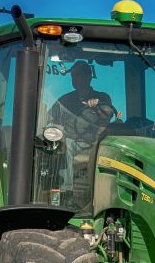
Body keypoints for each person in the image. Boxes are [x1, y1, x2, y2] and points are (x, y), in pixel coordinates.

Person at [49, 61, 116, 198]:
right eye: (73, 76)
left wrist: (97, 106)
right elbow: (51, 119)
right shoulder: (65, 100)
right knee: (64, 143)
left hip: (95, 143)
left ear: (88, 77)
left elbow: (107, 114)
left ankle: (106, 193)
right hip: (72, 142)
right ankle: (67, 191)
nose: (75, 79)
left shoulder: (102, 97)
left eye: (78, 75)